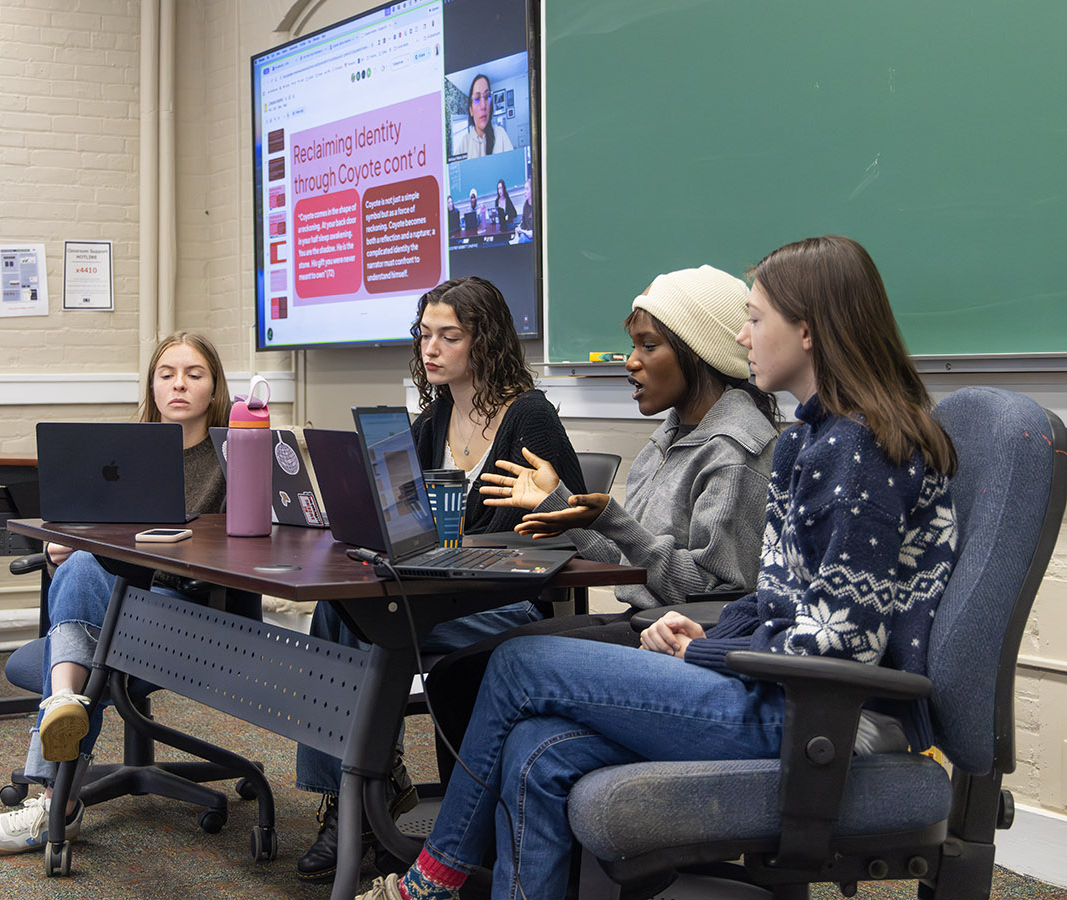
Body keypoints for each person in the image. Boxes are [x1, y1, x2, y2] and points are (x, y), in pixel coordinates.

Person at [355, 234, 960, 900]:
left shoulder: (857, 450)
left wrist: (707, 657)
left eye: (756, 318)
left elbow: (846, 641)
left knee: (517, 664)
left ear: (810, 331)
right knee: (535, 747)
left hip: (817, 715)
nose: (743, 333)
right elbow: (776, 601)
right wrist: (714, 636)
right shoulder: (810, 441)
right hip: (773, 683)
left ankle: (431, 880)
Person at [294, 276, 587, 883]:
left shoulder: (529, 416)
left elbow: (566, 521)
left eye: (448, 336)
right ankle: (349, 801)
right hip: (434, 589)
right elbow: (411, 521)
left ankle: (366, 798)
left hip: (504, 602)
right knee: (335, 610)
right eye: (424, 335)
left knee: (359, 622)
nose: (430, 348)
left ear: (486, 342)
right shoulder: (431, 421)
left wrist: (466, 547)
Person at [422, 266, 780, 758]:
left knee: (475, 670)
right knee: (456, 672)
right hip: (644, 617)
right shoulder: (667, 438)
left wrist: (608, 517)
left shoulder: (736, 451)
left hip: (681, 637)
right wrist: (560, 506)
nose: (630, 362)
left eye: (648, 346)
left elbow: (710, 593)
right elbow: (629, 559)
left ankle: (462, 830)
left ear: (697, 353)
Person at [0, 331, 232, 855]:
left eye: (194, 374)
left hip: (186, 608)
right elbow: (83, 529)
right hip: (110, 603)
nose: (179, 384)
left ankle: (56, 775)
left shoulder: (234, 457)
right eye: (166, 374)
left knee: (90, 575)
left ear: (214, 387)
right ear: (152, 387)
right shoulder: (118, 455)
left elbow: (233, 555)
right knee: (82, 563)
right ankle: (64, 720)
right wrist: (59, 550)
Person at [460, 74, 513, 159]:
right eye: (477, 99)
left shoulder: (500, 134)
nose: (483, 106)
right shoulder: (465, 142)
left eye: (487, 96)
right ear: (471, 110)